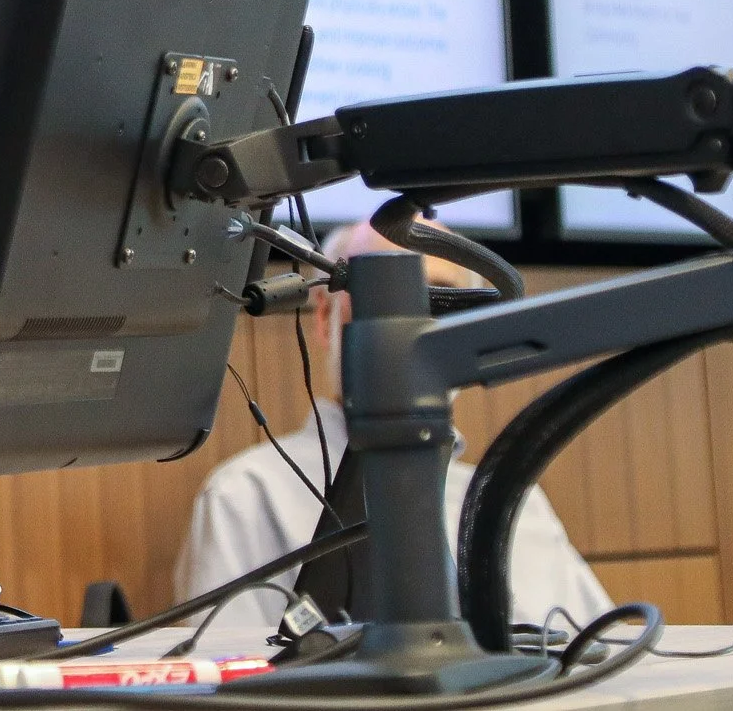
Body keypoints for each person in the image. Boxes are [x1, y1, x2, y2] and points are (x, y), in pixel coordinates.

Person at [172, 224, 611, 636]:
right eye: (386, 298)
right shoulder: (246, 497)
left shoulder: (515, 500)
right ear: (325, 319)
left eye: (441, 298)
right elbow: (230, 683)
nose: (414, 323)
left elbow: (602, 654)